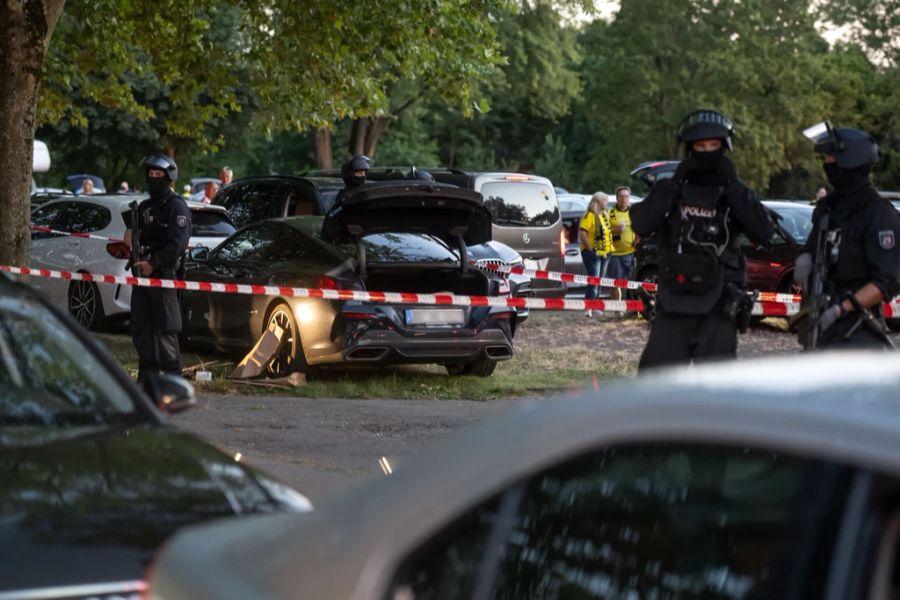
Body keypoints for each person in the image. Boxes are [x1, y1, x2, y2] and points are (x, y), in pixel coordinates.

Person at [631, 109, 774, 370]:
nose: (707, 151)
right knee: (657, 385)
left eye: (714, 145)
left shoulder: (734, 193)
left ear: (724, 147)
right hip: (674, 301)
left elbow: (764, 231)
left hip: (719, 305)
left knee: (714, 392)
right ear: (689, 149)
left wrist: (733, 186)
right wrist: (675, 182)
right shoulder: (671, 189)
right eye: (700, 145)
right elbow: (641, 223)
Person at [793, 122, 900, 349]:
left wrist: (842, 309)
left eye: (831, 158)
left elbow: (886, 282)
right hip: (820, 320)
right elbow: (813, 248)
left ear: (849, 163)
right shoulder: (829, 207)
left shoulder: (879, 215)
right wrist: (804, 259)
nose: (826, 164)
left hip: (859, 327)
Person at [124, 154, 192, 389]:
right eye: (150, 175)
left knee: (166, 329)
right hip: (141, 277)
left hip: (163, 277)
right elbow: (133, 236)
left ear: (169, 177)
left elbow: (177, 244)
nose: (153, 179)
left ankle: (173, 381)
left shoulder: (177, 206)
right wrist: (129, 238)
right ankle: (147, 380)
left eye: (158, 175)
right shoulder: (144, 207)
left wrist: (153, 263)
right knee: (141, 329)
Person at [579, 192, 613, 317]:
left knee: (599, 281)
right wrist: (590, 250)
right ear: (598, 202)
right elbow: (582, 234)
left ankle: (594, 307)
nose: (607, 203)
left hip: (605, 253)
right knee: (593, 280)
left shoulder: (604, 215)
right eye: (605, 201)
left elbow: (607, 232)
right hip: (593, 253)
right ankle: (588, 308)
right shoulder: (590, 216)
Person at [607, 185, 636, 301]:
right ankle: (617, 308)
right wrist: (615, 230)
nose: (624, 199)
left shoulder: (635, 212)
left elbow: (641, 228)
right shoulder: (610, 213)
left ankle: (635, 309)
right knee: (615, 284)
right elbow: (601, 231)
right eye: (621, 196)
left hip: (632, 252)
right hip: (615, 255)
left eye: (626, 196)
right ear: (616, 198)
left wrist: (638, 239)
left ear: (629, 198)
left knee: (634, 283)